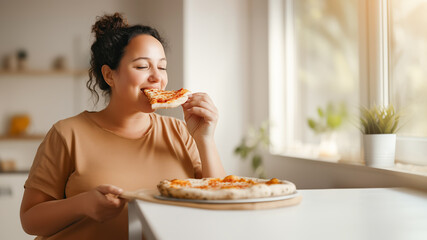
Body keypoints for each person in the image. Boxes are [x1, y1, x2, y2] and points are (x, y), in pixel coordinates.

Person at [20, 12, 226, 239]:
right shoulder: (67, 134)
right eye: (141, 67)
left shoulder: (179, 132)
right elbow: (30, 221)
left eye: (162, 67)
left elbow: (221, 208)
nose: (157, 78)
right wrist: (82, 205)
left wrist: (205, 138)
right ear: (109, 75)